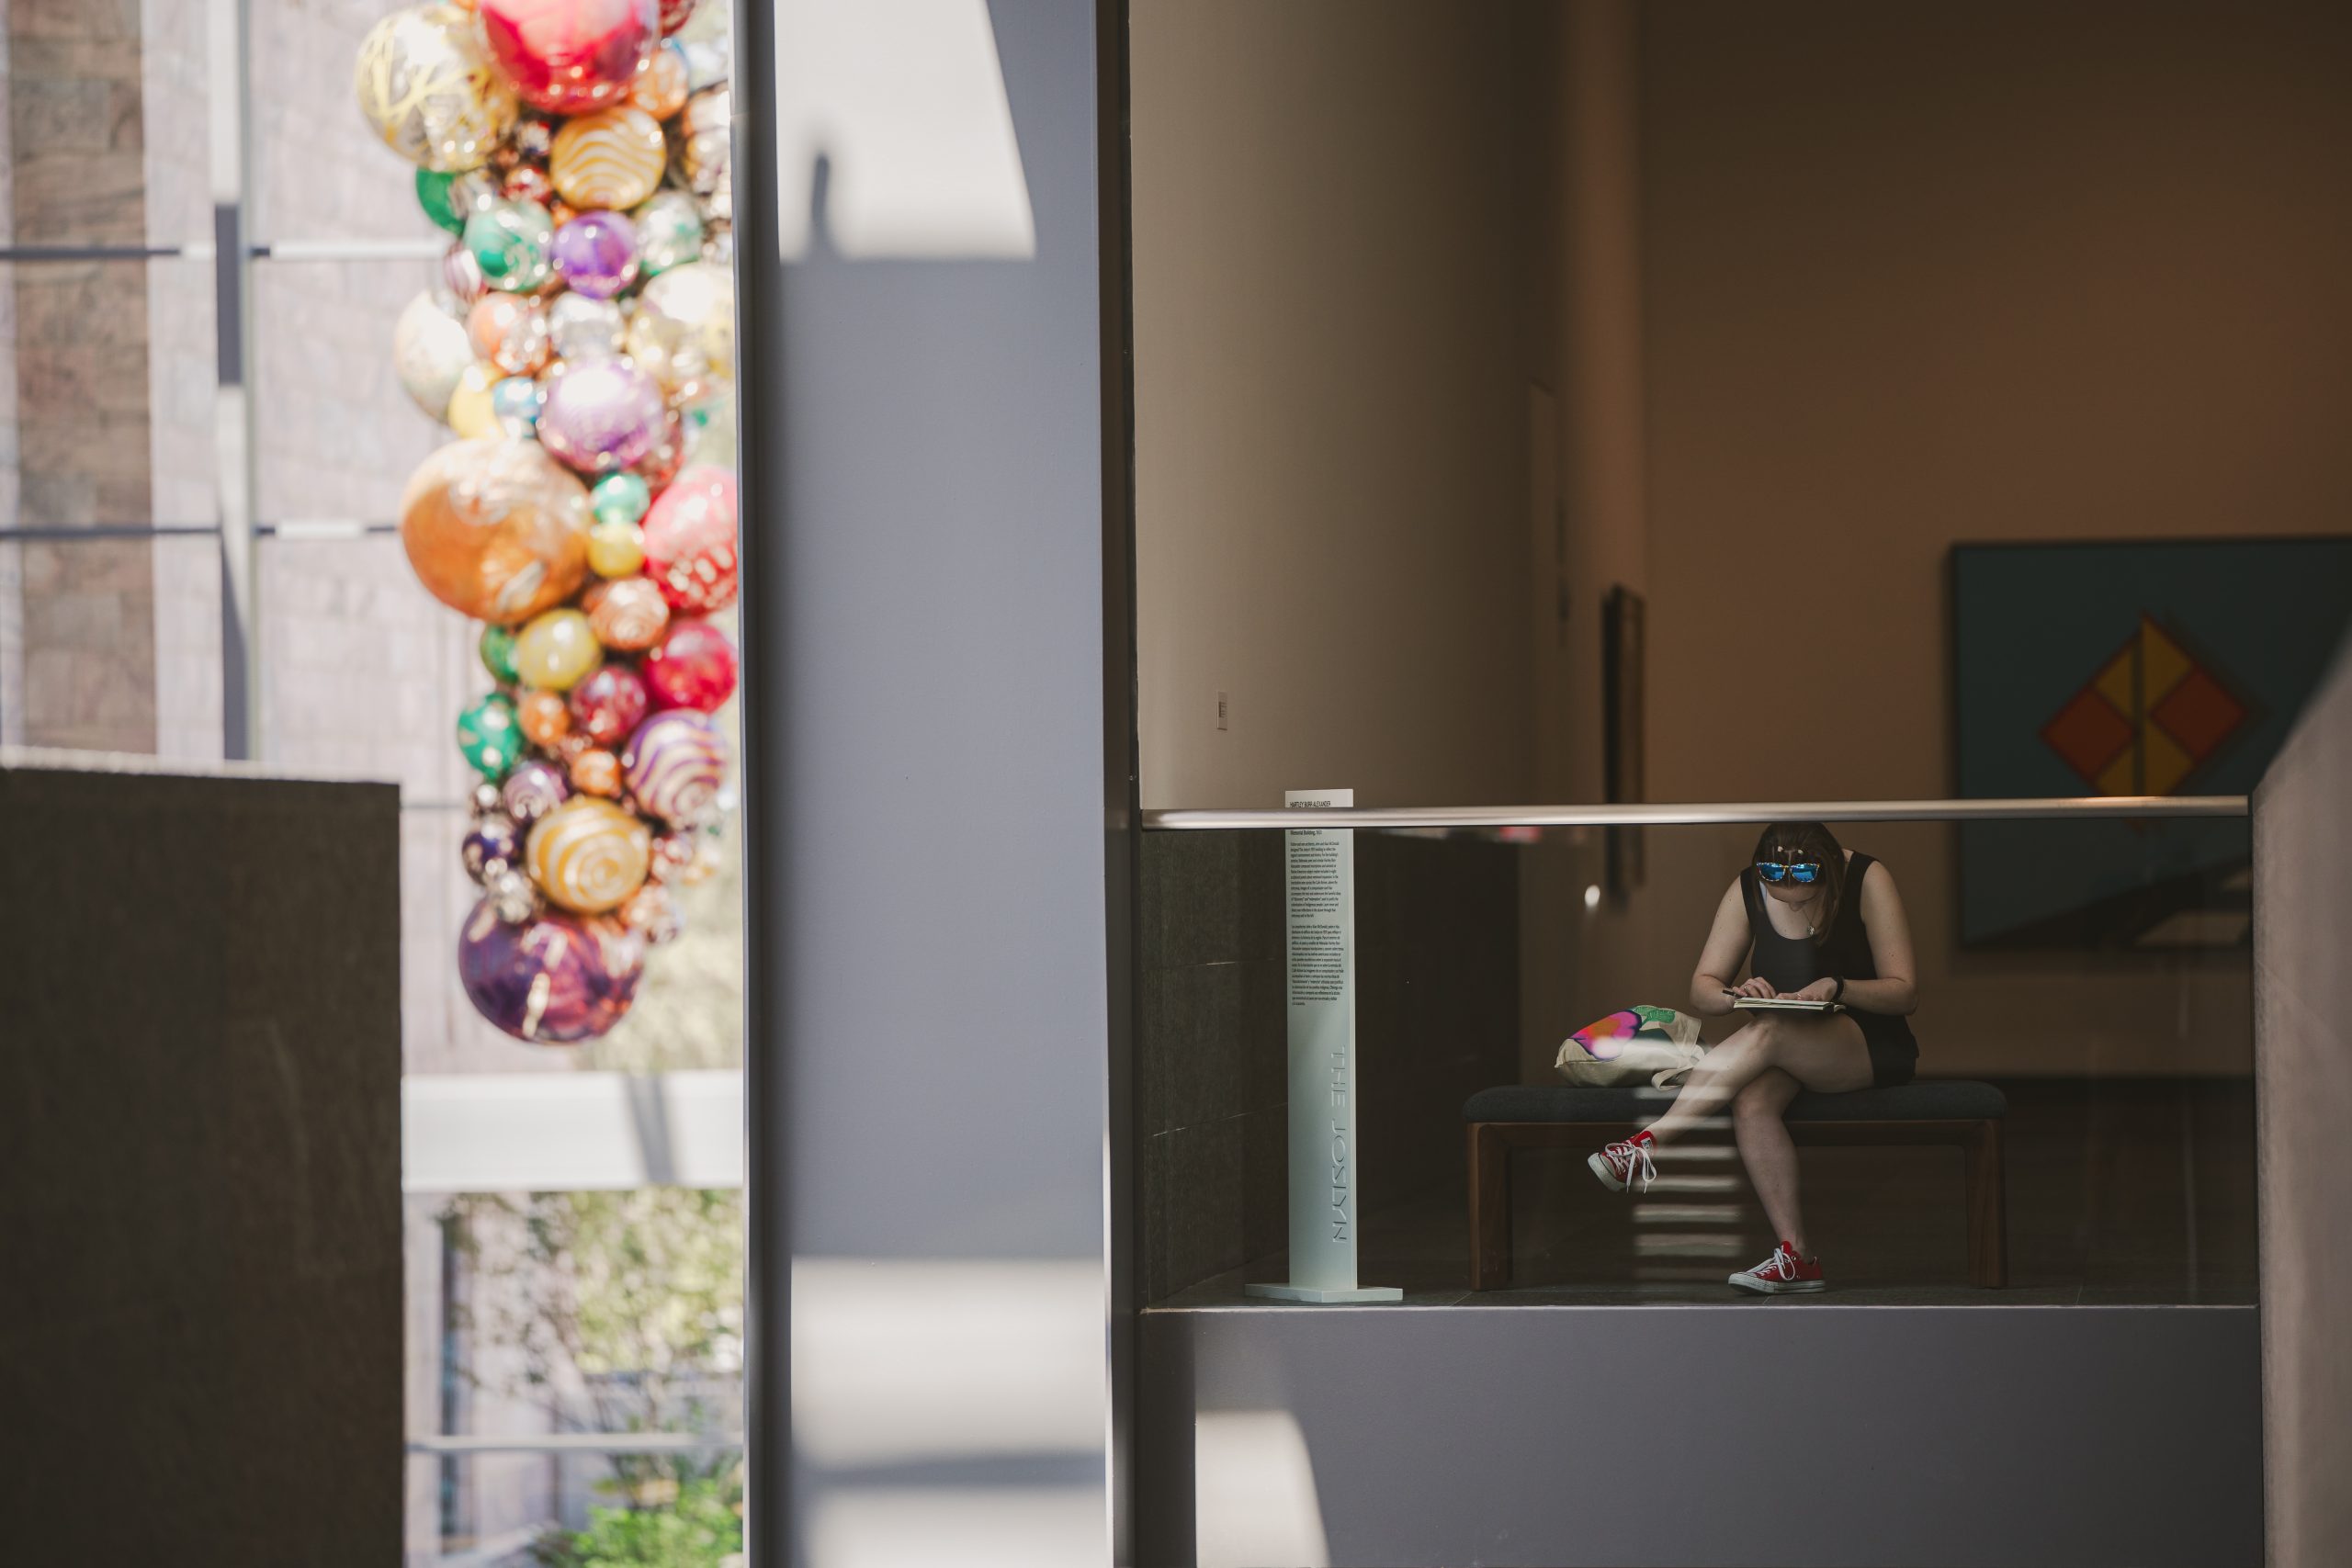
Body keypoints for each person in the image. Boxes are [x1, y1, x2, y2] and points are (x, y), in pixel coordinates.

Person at [1585, 821, 1919, 1294]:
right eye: (1778, 895)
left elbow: (1905, 994)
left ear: (1828, 874)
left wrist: (1838, 986)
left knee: (1770, 1030)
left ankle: (1650, 1141)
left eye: (1803, 897)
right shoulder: (1748, 886)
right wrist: (1735, 994)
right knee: (1752, 1101)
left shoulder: (1867, 878)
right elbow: (1703, 986)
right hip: (1782, 1043)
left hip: (1865, 1041)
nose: (1791, 904)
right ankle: (1797, 1255)